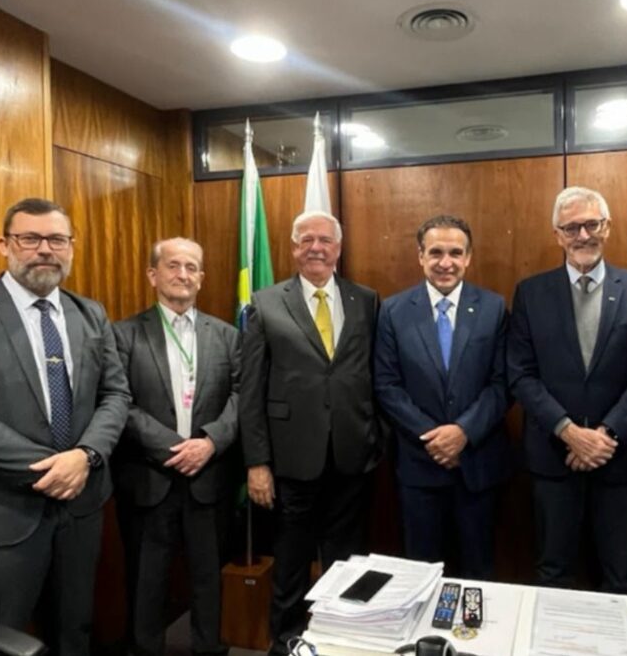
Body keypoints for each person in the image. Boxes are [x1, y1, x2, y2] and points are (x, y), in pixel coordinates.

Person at [0, 198, 130, 656]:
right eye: (29, 238)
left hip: (80, 509)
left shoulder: (90, 313)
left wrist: (86, 457)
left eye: (56, 239)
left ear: (71, 247)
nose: (44, 250)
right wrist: (53, 468)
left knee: (73, 635)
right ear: (4, 244)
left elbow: (116, 396)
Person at [507, 186, 627, 592]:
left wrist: (605, 434)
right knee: (553, 572)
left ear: (607, 227)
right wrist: (568, 432)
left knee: (621, 573)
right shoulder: (531, 292)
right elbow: (520, 373)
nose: (583, 235)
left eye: (591, 224)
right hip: (552, 458)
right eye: (571, 227)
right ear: (557, 234)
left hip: (620, 457)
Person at [239, 211, 384, 655]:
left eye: (325, 240)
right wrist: (257, 463)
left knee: (348, 560)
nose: (316, 247)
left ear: (338, 249)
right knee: (292, 562)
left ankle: (340, 638)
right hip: (290, 458)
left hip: (352, 453)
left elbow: (373, 375)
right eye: (307, 240)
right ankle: (284, 640)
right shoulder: (265, 303)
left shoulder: (366, 300)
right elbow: (250, 391)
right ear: (293, 247)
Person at [113, 238, 240, 656]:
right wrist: (172, 447)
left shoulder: (226, 335)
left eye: (191, 267)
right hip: (150, 479)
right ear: (153, 274)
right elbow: (118, 401)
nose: (183, 275)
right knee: (147, 578)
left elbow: (242, 396)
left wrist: (210, 442)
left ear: (202, 277)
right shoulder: (124, 334)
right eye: (173, 266)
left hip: (209, 475)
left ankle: (209, 649)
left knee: (208, 576)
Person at [374, 215, 510, 579]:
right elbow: (386, 385)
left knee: (478, 572)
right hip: (420, 467)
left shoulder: (494, 307)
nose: (445, 262)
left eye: (455, 252)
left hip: (477, 466)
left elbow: (502, 384)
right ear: (420, 256)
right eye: (435, 252)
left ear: (469, 257)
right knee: (420, 572)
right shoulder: (392, 311)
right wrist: (436, 439)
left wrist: (462, 433)